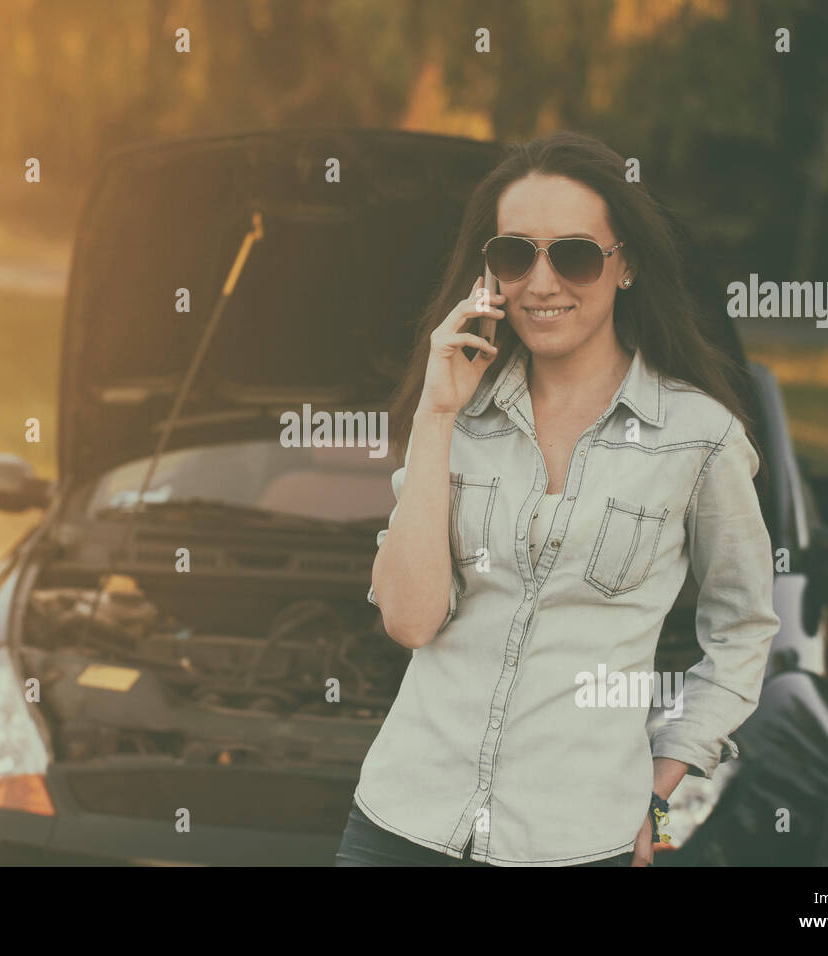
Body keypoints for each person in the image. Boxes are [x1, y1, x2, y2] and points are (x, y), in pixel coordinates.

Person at [334, 131, 781, 867]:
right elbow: (410, 621)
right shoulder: (456, 415)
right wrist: (436, 415)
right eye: (515, 254)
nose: (540, 283)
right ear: (490, 273)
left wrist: (663, 785)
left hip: (576, 844)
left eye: (572, 254)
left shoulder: (699, 438)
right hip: (398, 827)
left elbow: (742, 631)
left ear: (625, 264)